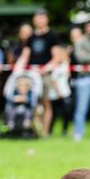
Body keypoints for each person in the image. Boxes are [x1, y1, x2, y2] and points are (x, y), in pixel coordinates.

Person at [21, 9, 60, 137]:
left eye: (42, 18)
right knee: (31, 103)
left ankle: (45, 133)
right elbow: (25, 56)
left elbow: (57, 57)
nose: (40, 20)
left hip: (46, 75)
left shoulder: (52, 36)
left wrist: (43, 70)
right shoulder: (31, 37)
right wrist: (19, 69)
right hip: (32, 75)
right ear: (34, 19)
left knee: (46, 103)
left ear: (46, 19)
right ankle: (33, 130)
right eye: (38, 18)